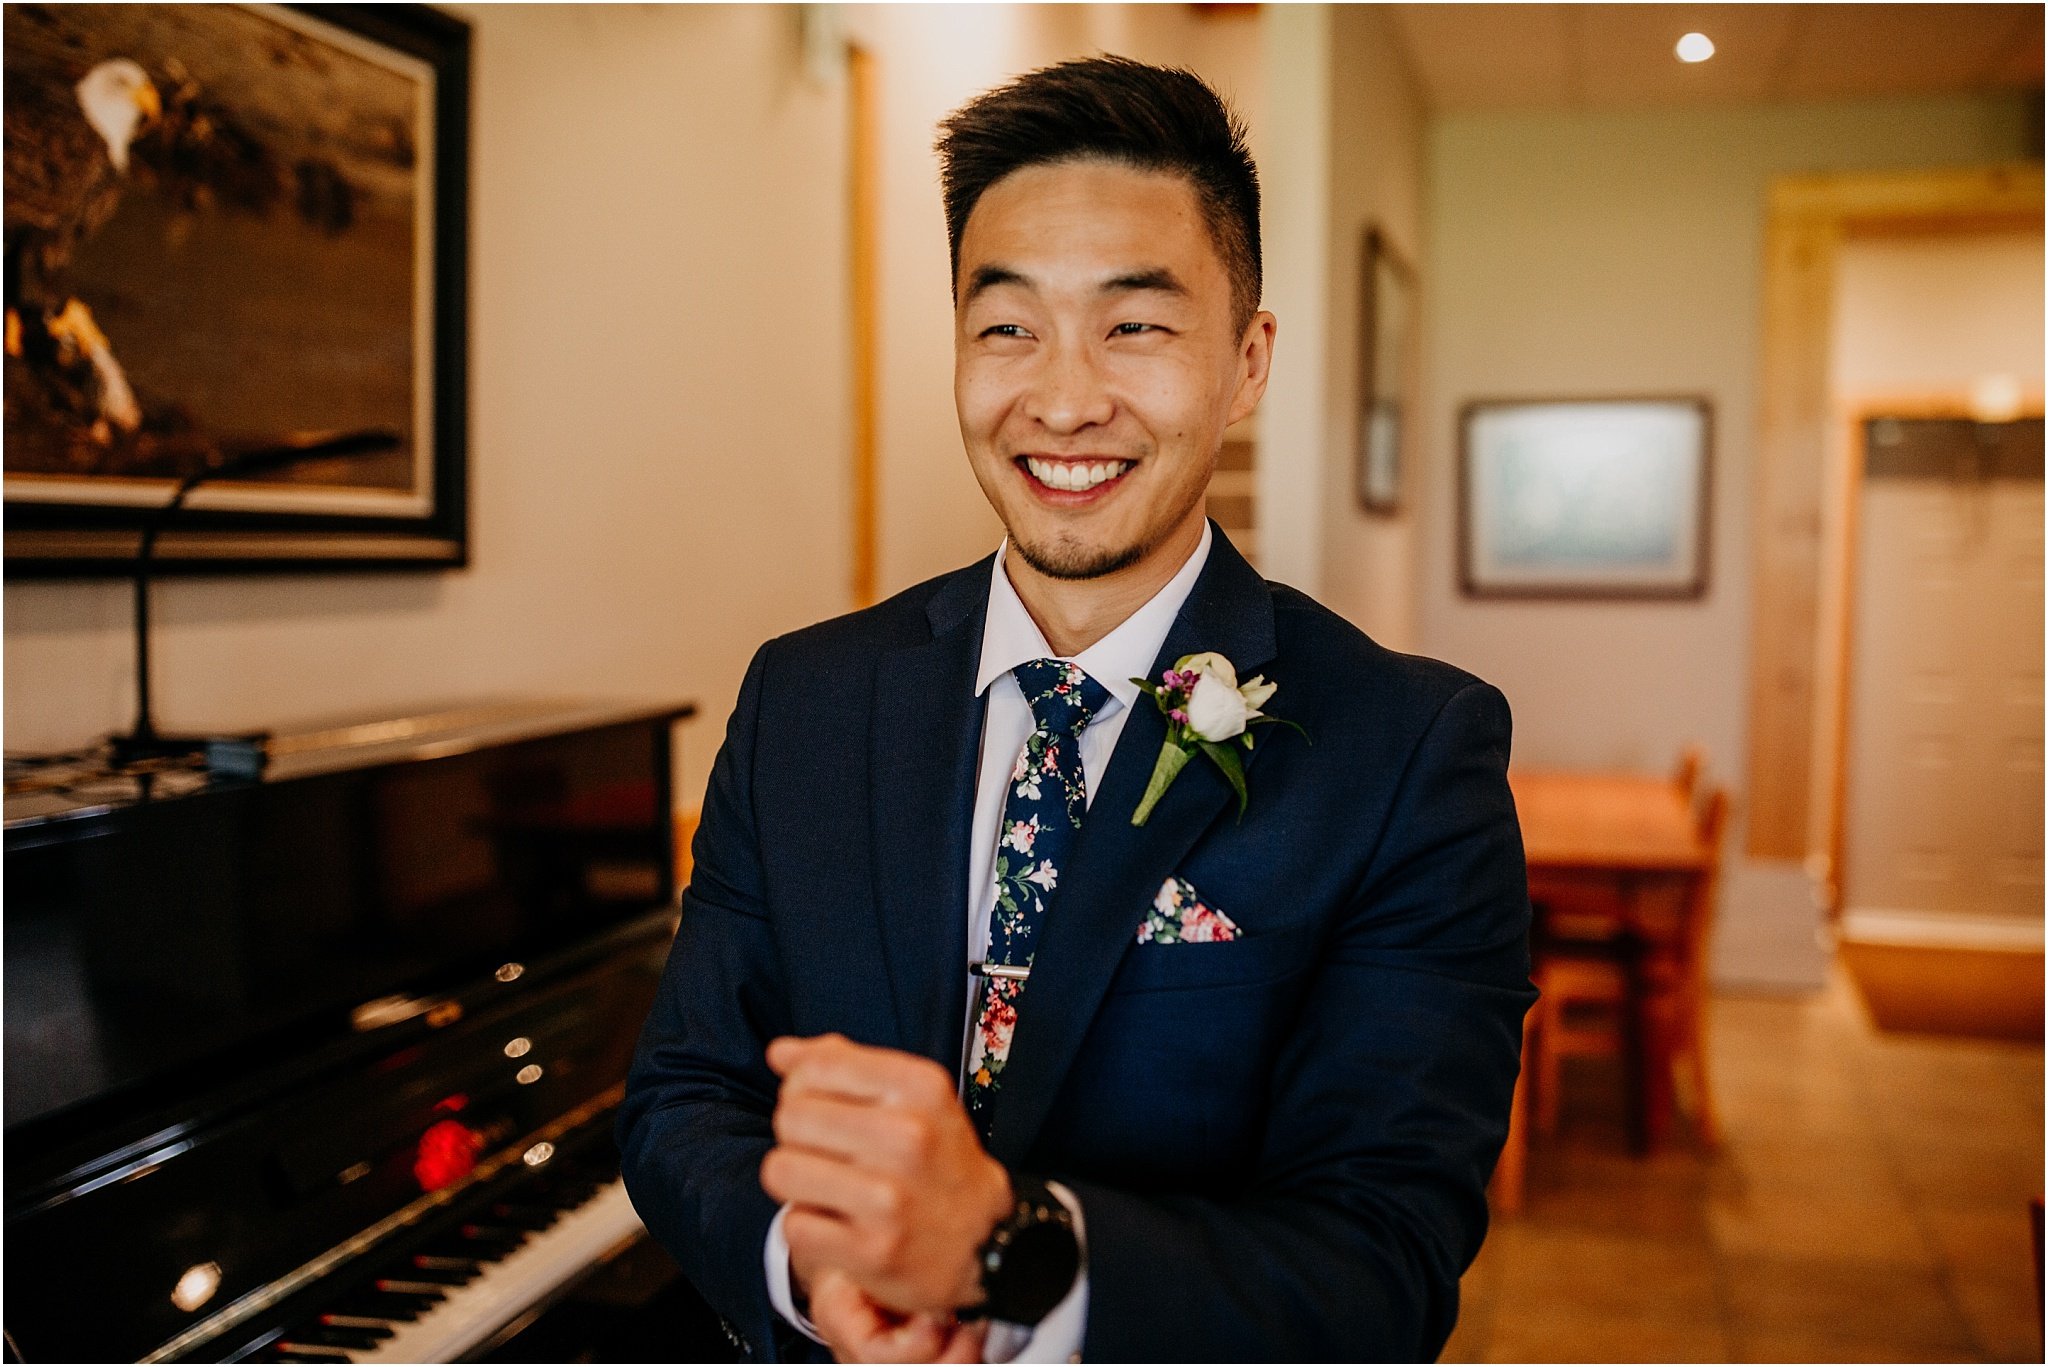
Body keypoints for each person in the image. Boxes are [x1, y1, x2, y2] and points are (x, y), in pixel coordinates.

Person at [619, 55, 1532, 1364]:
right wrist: (812, 1264)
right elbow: (684, 1095)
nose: (1061, 399)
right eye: (1008, 327)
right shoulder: (804, 698)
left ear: (1247, 360)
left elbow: (1381, 1261)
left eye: (1136, 325)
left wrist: (1009, 1255)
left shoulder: (1408, 753)